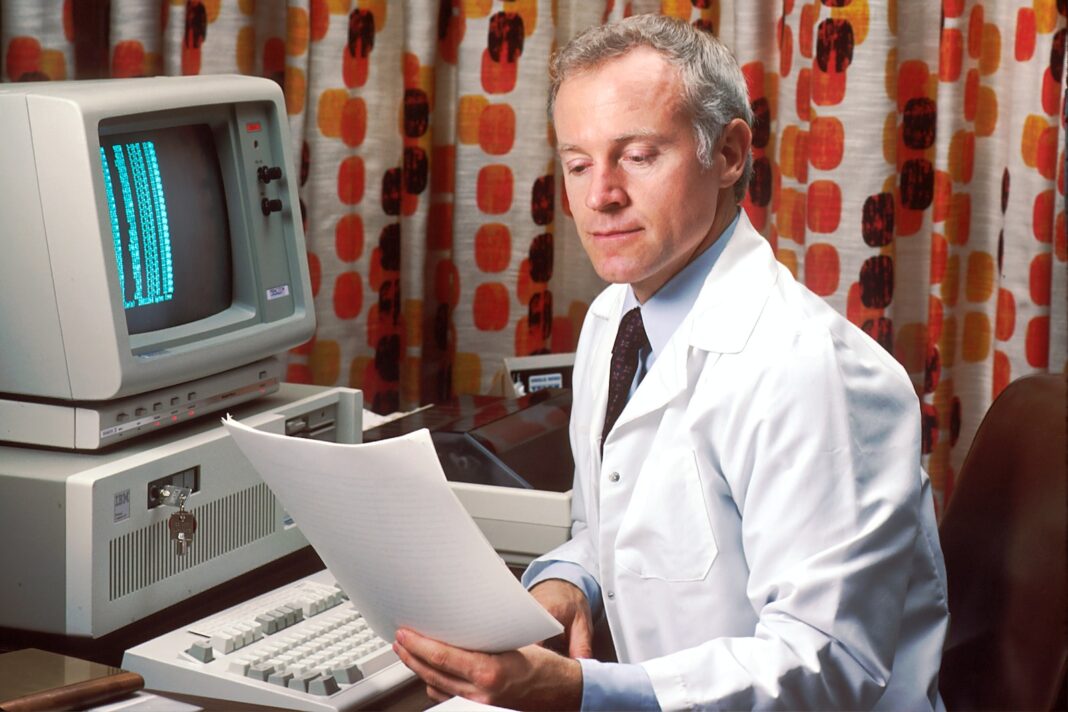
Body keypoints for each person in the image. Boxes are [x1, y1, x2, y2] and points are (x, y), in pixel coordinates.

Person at [394, 13, 949, 710]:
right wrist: (569, 581)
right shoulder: (615, 319)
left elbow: (825, 668)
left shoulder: (814, 371)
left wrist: (578, 691)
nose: (600, 196)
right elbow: (625, 531)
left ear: (729, 154)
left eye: (638, 155)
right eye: (577, 163)